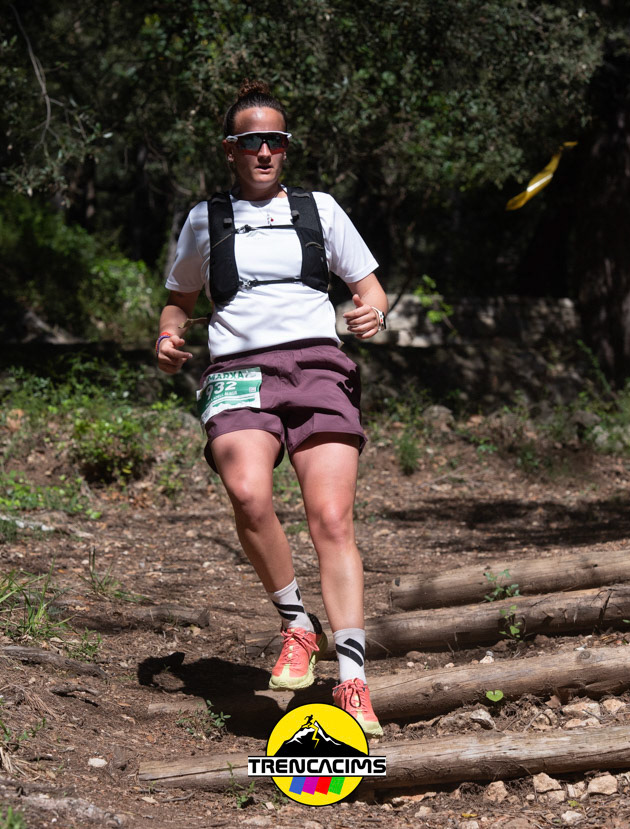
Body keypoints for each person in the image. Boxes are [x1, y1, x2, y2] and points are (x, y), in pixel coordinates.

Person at [156, 79, 388, 737]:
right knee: (248, 492)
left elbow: (371, 290)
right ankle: (297, 624)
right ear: (230, 149)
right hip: (237, 371)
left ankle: (352, 679)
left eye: (276, 140)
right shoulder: (205, 219)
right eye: (252, 140)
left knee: (331, 518)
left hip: (318, 366)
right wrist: (169, 337)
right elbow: (179, 301)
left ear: (285, 148)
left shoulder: (321, 210)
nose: (265, 151)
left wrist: (372, 314)